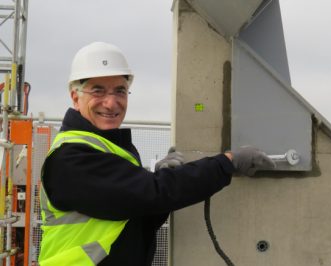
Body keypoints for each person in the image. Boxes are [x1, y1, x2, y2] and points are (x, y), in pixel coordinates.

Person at [39, 42, 276, 266]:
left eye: (120, 91)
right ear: (75, 97)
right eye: (98, 91)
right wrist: (227, 163)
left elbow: (135, 213)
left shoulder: (107, 150)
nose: (111, 103)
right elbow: (152, 194)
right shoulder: (71, 158)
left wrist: (158, 178)